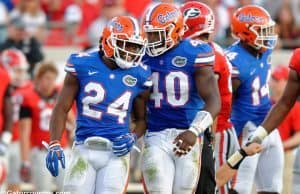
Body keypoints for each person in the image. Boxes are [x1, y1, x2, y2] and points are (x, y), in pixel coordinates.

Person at [45, 16, 152, 194]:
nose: (132, 52)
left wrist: (133, 137)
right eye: (127, 45)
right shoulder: (82, 64)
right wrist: (54, 142)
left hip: (116, 153)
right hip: (83, 147)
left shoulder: (140, 75)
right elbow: (61, 108)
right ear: (109, 42)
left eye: (136, 47)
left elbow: (142, 119)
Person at [140, 3, 221, 194]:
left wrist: (194, 131)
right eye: (149, 33)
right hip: (156, 135)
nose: (150, 39)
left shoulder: (195, 52)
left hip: (188, 136)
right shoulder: (141, 55)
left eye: (156, 34)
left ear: (175, 31)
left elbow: (214, 101)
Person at [180, 2, 240, 194]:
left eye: (204, 36)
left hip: (216, 128)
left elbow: (210, 102)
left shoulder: (207, 54)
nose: (202, 40)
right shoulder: (209, 50)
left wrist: (209, 138)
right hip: (204, 127)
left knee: (213, 187)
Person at [225, 5, 283, 194]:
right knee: (239, 188)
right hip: (246, 128)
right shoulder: (233, 60)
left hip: (268, 125)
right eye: (262, 30)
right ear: (245, 33)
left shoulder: (264, 49)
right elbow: (227, 102)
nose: (268, 34)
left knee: (272, 188)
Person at [19, 62, 71, 191]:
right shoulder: (28, 98)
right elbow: (24, 133)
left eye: (53, 78)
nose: (50, 82)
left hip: (62, 150)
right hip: (42, 153)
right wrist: (25, 160)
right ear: (38, 78)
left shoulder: (60, 95)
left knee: (68, 190)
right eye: (47, 78)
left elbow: (72, 119)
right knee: (43, 191)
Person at [0, 48, 32, 192]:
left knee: (15, 184)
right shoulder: (4, 86)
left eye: (22, 70)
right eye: (17, 70)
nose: (21, 75)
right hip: (3, 140)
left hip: (18, 142)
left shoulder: (29, 89)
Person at [269, 64, 300, 194]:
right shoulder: (265, 102)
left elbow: (299, 136)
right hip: (263, 151)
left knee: (284, 190)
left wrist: (280, 146)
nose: (272, 83)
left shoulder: (296, 106)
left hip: (285, 153)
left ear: (287, 82)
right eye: (272, 79)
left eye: (277, 80)